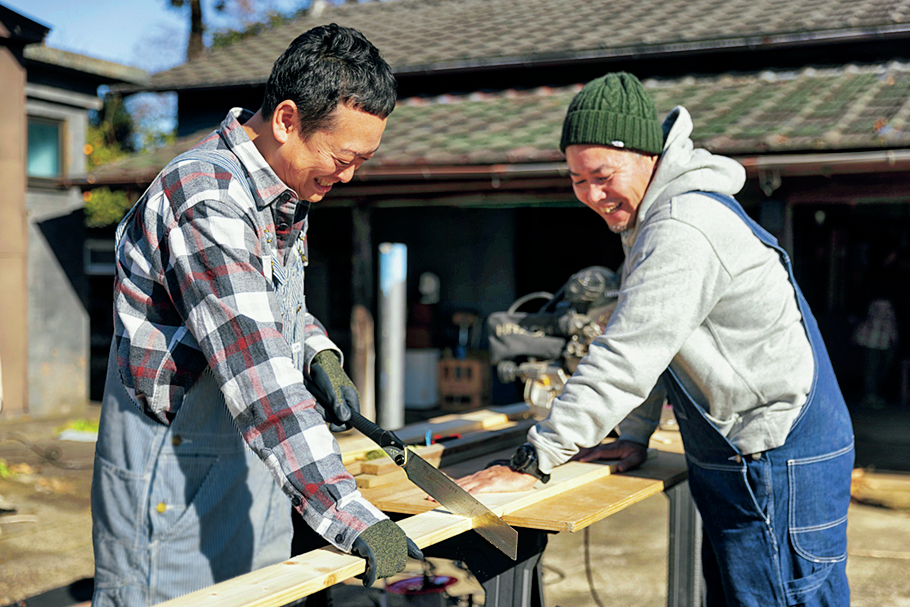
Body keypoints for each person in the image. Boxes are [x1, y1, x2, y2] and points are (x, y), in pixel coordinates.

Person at [457, 72, 854, 606]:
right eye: (576, 179)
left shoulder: (681, 227)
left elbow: (625, 355)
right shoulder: (653, 221)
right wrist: (637, 432)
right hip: (748, 452)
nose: (593, 195)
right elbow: (661, 343)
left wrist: (533, 460)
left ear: (647, 155)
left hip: (773, 461)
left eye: (602, 174)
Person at [91, 24, 421, 606]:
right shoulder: (208, 199)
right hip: (175, 476)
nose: (348, 176)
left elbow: (271, 307)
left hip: (249, 461)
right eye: (343, 158)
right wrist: (349, 513)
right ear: (287, 120)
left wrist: (317, 352)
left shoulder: (282, 190)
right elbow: (258, 373)